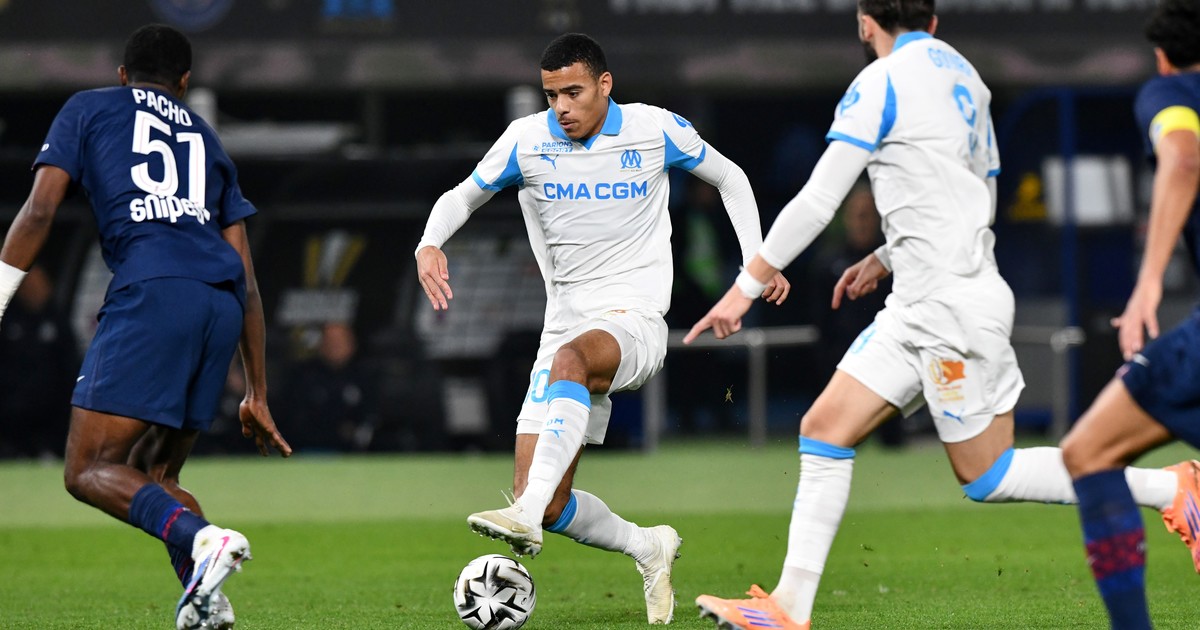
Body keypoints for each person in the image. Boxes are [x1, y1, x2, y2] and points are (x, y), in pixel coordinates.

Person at [683, 2, 1192, 628]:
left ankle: (1173, 488)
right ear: (933, 20)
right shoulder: (967, 79)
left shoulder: (881, 81)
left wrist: (746, 287)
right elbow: (981, 195)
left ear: (865, 22)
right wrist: (887, 255)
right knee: (825, 427)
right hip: (924, 301)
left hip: (947, 309)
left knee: (988, 475)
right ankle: (788, 607)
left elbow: (819, 199)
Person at [414, 32, 789, 624]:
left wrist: (755, 264)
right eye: (551, 95)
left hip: (635, 319)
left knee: (568, 380)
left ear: (604, 84)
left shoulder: (653, 129)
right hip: (563, 325)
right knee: (550, 500)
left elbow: (731, 178)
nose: (561, 107)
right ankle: (648, 545)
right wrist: (430, 242)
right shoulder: (526, 140)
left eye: (573, 92)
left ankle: (524, 514)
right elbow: (461, 197)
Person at [0, 24, 291, 630]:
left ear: (122, 75)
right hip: (219, 304)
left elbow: (41, 208)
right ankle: (207, 603)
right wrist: (256, 391)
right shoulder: (208, 139)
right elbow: (247, 278)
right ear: (184, 82)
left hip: (155, 291)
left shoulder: (89, 108)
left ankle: (206, 541)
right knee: (159, 474)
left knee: (86, 469)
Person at [1059, 2, 1200, 628]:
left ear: (1163, 56)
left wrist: (1147, 284)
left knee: (1089, 450)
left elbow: (1184, 157)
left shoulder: (1171, 92)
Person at [0, 264, 78, 458]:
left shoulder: (58, 320)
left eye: (38, 283)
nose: (34, 289)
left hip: (51, 411)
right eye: (27, 284)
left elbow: (70, 365)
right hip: (12, 411)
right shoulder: (8, 320)